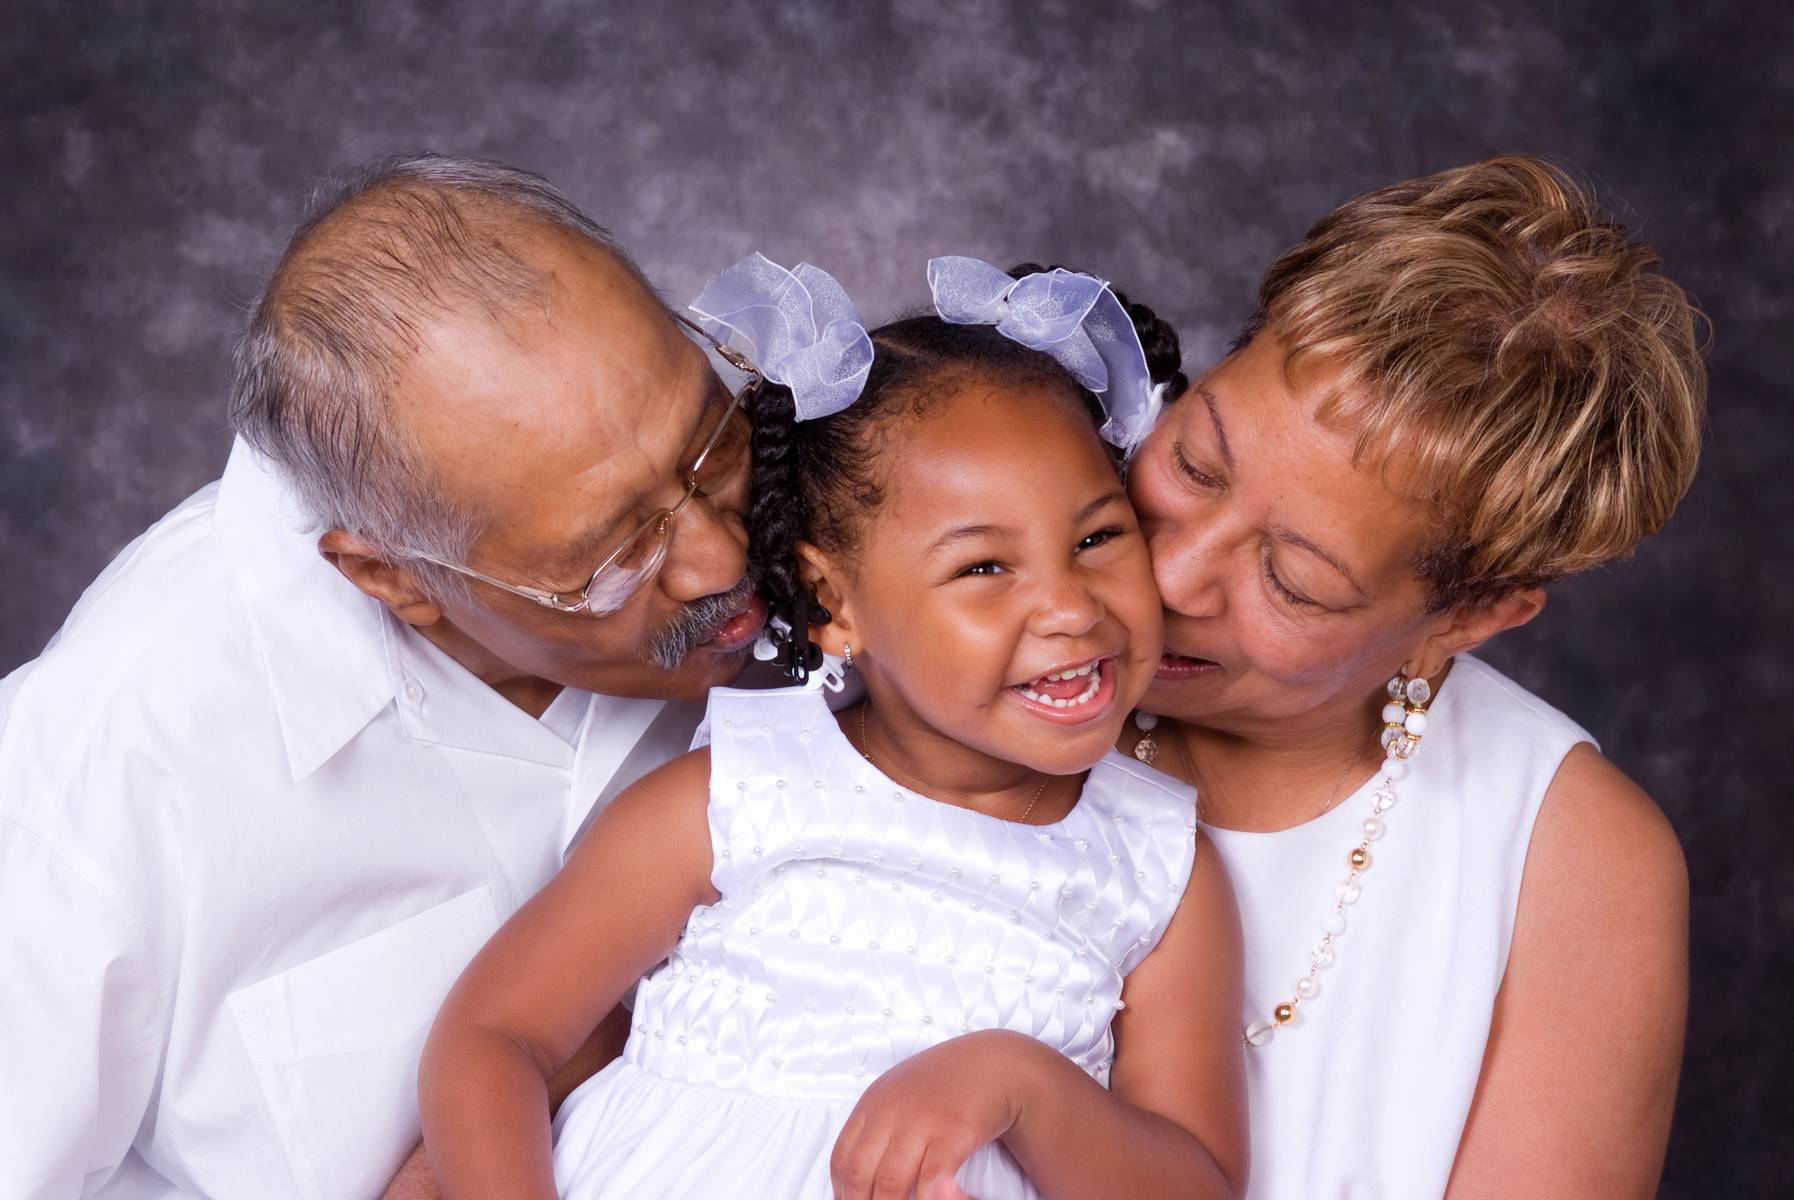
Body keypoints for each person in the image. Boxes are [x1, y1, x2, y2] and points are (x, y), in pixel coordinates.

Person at [0, 154, 767, 1199]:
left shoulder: (851, 499)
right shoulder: (107, 760)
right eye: (611, 557)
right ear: (392, 577)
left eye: (707, 445)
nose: (722, 562)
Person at [417, 255, 1248, 1200]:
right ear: (832, 601)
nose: (1069, 607)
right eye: (983, 568)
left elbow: (1200, 1184)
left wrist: (1023, 1086)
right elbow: (493, 1037)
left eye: (1100, 539)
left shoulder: (1156, 867)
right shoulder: (736, 799)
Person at [1121, 155, 1706, 1198]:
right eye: (1195, 465)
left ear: (1473, 616)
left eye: (1293, 581)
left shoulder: (1572, 862)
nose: (1169, 574)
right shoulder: (957, 627)